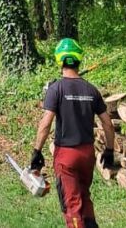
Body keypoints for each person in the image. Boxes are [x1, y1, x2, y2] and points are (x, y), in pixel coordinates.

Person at [29, 38, 115, 228]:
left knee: (72, 205)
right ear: (79, 59)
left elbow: (45, 124)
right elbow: (108, 125)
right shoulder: (91, 90)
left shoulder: (55, 89)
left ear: (59, 60)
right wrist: (109, 151)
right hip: (87, 154)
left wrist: (37, 151)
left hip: (66, 156)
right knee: (84, 195)